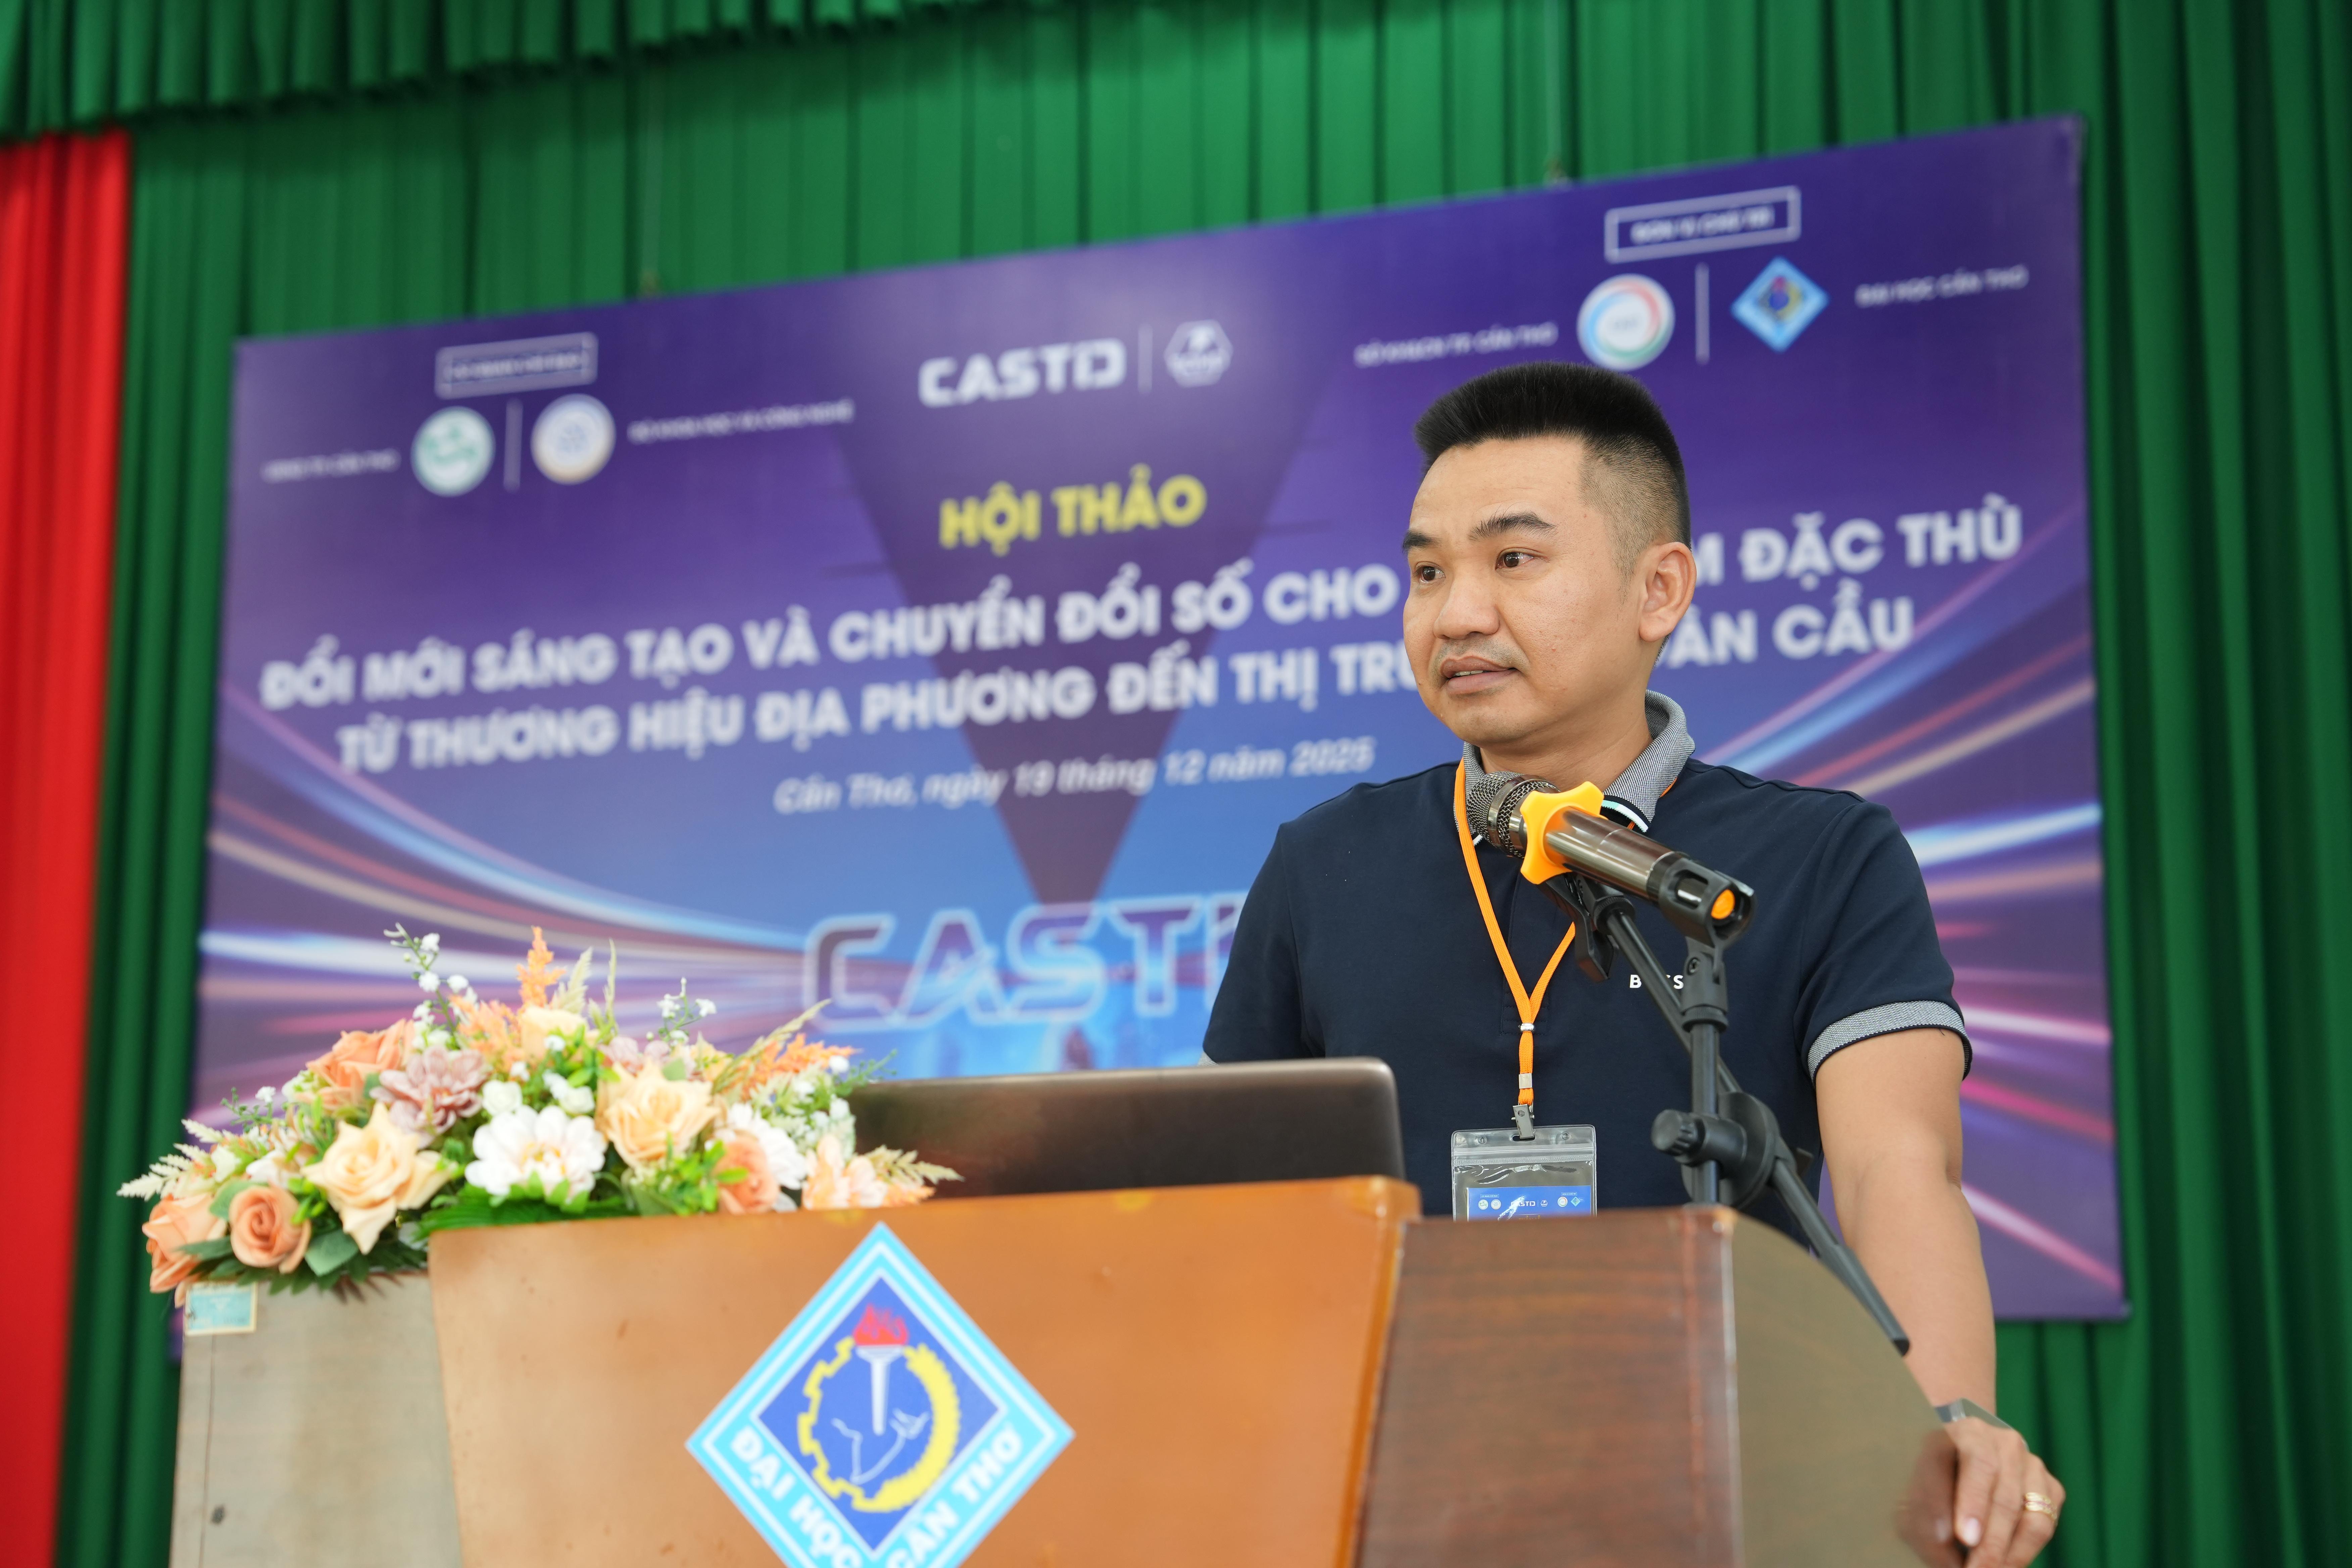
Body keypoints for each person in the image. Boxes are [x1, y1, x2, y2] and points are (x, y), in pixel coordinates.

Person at [1204, 362, 2064, 1565]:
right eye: (1427, 572)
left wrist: (1950, 1421)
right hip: (1393, 1492)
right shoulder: (1323, 863)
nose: (1456, 615)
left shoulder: (1823, 855)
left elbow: (1897, 1168)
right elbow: (1237, 1206)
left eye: (1514, 559)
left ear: (1659, 590)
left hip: (1729, 1481)